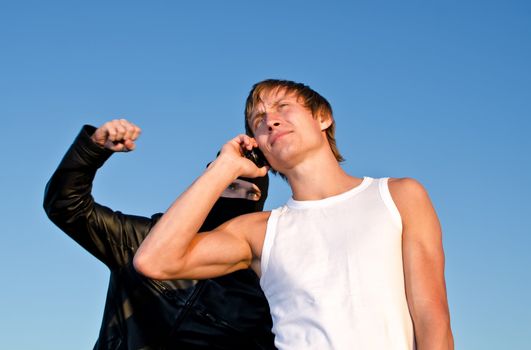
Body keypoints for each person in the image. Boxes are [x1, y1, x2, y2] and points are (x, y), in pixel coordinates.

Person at [134, 79, 454, 349]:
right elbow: (154, 260)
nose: (270, 120)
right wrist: (224, 167)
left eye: (283, 107)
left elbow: (432, 317)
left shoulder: (398, 196)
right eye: (258, 120)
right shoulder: (258, 231)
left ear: (322, 117)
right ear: (259, 147)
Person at [43, 119, 276, 350]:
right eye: (231, 187)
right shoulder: (140, 239)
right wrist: (93, 148)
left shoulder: (262, 287)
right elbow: (67, 206)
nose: (238, 199)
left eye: (251, 194)